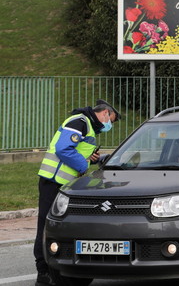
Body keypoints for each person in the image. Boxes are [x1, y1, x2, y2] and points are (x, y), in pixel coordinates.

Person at [34, 100, 120, 286]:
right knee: (46, 227)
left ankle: (59, 269)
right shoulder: (79, 122)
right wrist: (83, 164)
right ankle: (43, 273)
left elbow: (79, 155)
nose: (109, 126)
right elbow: (63, 149)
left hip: (66, 186)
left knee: (62, 228)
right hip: (53, 182)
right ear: (105, 113)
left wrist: (95, 159)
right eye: (111, 121)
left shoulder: (88, 127)